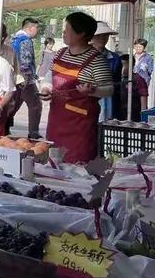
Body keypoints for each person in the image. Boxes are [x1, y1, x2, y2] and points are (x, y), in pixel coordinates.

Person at [40, 12, 113, 164]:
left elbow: (109, 89)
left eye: (67, 29)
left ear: (81, 34)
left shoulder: (96, 60)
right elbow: (49, 75)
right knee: (54, 164)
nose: (63, 32)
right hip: (56, 121)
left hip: (80, 127)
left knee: (77, 169)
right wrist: (46, 89)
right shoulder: (60, 53)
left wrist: (93, 91)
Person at [10, 18, 43, 139]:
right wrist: (27, 79)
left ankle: (4, 126)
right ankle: (33, 131)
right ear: (30, 28)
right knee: (35, 104)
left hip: (13, 77)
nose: (37, 31)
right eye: (36, 28)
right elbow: (25, 62)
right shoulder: (26, 41)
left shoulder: (13, 38)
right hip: (25, 80)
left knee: (12, 105)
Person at [91, 21, 122, 121]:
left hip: (108, 99)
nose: (103, 38)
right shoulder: (83, 56)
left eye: (105, 35)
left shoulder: (115, 58)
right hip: (88, 99)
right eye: (99, 36)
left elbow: (117, 84)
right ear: (92, 37)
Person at [120, 54, 141, 121]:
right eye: (121, 65)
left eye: (125, 64)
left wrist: (143, 114)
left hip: (134, 112)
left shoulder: (136, 79)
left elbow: (143, 95)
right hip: (120, 112)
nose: (123, 67)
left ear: (132, 65)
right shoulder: (117, 79)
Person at [133, 38, 153, 111]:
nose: (138, 48)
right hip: (133, 82)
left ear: (144, 47)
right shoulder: (132, 57)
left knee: (143, 101)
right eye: (136, 46)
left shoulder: (148, 58)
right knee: (134, 100)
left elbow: (150, 71)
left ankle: (143, 116)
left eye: (140, 47)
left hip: (143, 82)